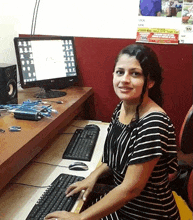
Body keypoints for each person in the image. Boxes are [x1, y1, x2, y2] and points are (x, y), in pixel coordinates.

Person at [44, 44, 180, 220]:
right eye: (120, 72)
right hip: (124, 209)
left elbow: (131, 188)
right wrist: (92, 176)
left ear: (150, 81)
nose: (124, 79)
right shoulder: (122, 108)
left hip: (147, 215)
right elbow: (116, 158)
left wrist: (80, 218)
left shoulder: (153, 123)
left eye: (135, 73)